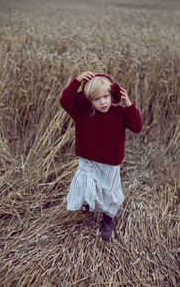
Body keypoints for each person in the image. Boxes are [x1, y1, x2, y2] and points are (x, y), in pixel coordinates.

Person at [59, 71, 142, 239]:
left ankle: (107, 218)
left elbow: (136, 127)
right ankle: (89, 211)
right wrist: (77, 81)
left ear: (112, 95)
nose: (102, 102)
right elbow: (65, 100)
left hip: (110, 162)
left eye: (105, 96)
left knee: (109, 191)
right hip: (88, 160)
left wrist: (129, 104)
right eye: (96, 99)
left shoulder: (119, 112)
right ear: (89, 101)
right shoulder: (82, 112)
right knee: (87, 187)